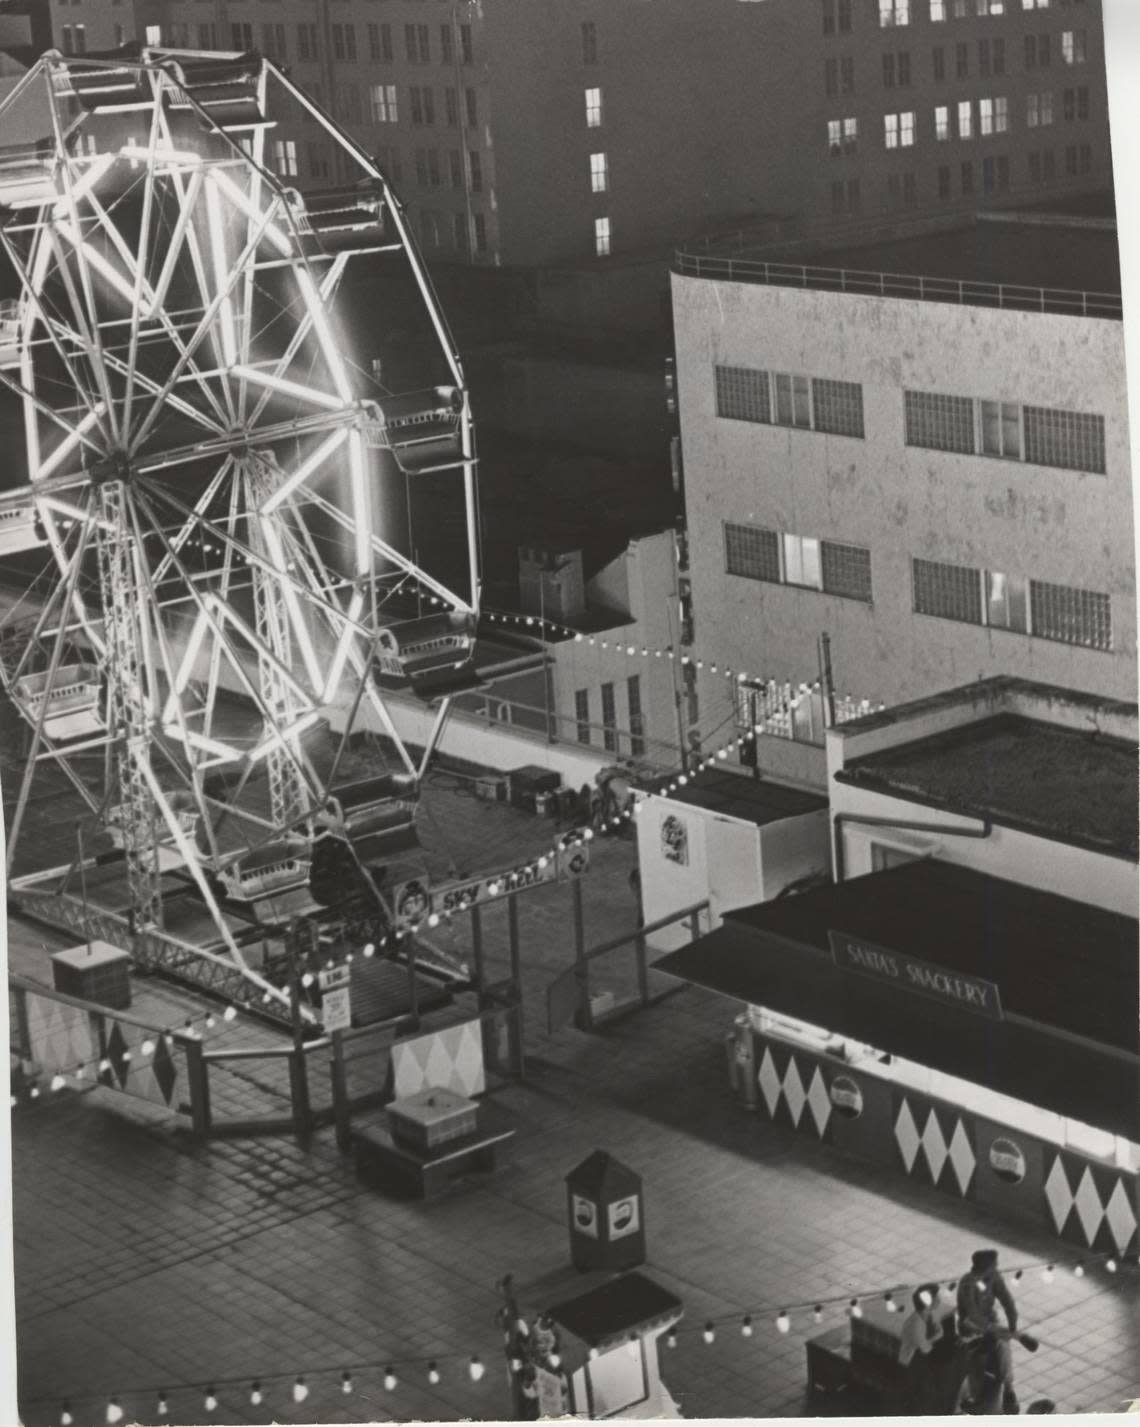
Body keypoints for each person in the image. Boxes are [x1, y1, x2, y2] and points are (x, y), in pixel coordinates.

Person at [957, 1248, 1020, 1413]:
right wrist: (993, 1329)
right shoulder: (967, 1283)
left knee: (1003, 1344)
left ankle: (1009, 1388)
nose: (997, 1266)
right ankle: (975, 1397)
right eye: (994, 1264)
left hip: (989, 1321)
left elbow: (1007, 1299)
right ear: (986, 1266)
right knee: (976, 1354)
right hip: (970, 1325)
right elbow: (972, 1313)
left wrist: (1012, 1323)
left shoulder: (994, 1277)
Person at [897, 1283, 945, 1413]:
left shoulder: (926, 1313)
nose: (940, 1299)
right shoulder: (916, 1324)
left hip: (920, 1356)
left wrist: (937, 1331)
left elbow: (936, 1326)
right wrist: (936, 1336)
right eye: (937, 1297)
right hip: (912, 1361)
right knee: (921, 1395)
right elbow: (926, 1348)